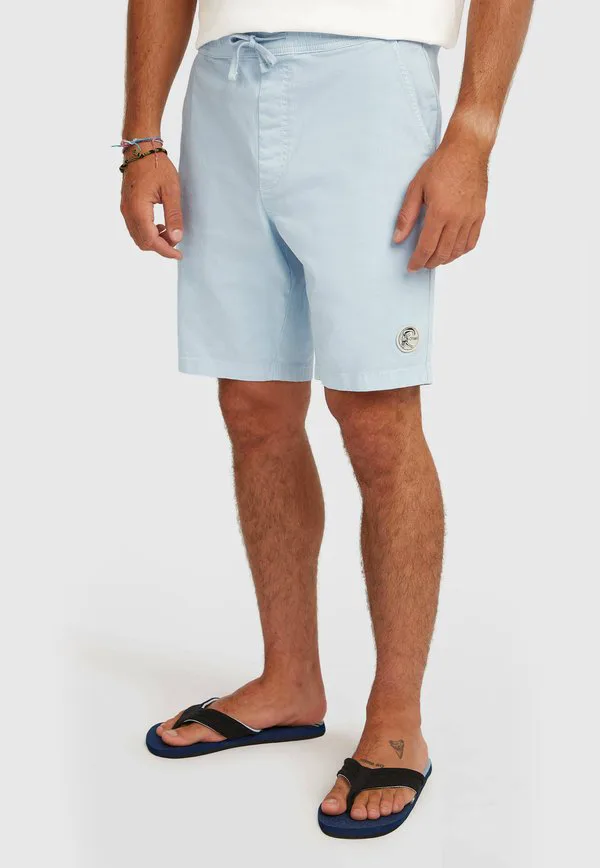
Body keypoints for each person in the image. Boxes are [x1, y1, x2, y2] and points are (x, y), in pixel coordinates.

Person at [119, 0, 533, 839]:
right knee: (253, 405)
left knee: (375, 412)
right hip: (225, 80)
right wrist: (141, 138)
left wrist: (474, 131)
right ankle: (289, 683)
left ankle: (397, 717)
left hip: (368, 80)